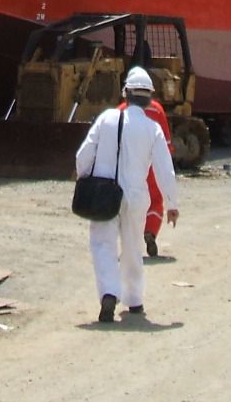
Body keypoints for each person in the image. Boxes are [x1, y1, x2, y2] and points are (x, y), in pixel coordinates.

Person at [75, 66, 180, 323]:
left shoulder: (107, 119)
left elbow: (84, 154)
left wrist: (83, 176)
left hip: (103, 192)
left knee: (103, 245)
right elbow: (164, 169)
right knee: (133, 247)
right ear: (149, 98)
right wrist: (172, 202)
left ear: (126, 93)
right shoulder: (152, 129)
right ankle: (134, 300)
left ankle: (109, 293)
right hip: (136, 196)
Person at [116, 87, 173, 258]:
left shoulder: (120, 111)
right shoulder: (157, 109)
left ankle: (128, 242)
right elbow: (166, 141)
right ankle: (151, 232)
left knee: (127, 206)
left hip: (130, 167)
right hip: (152, 165)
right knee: (155, 200)